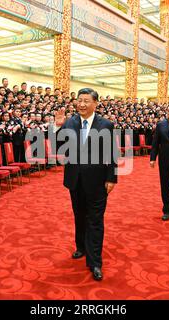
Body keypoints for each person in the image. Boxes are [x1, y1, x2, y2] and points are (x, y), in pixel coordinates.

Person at [54, 88, 117, 281]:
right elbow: (60, 146)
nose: (81, 104)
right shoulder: (70, 122)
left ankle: (95, 262)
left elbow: (111, 152)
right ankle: (80, 247)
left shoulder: (106, 125)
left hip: (98, 181)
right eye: (79, 100)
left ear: (95, 103)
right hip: (74, 179)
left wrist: (112, 177)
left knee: (95, 220)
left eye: (86, 101)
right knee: (79, 215)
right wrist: (57, 127)